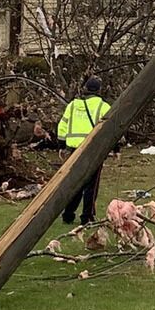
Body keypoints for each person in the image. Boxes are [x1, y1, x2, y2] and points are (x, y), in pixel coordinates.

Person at [57, 76, 113, 226]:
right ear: (99, 90)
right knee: (91, 186)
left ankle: (68, 215)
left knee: (75, 184)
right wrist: (115, 148)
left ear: (85, 89)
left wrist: (61, 146)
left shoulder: (73, 105)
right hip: (93, 149)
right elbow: (110, 129)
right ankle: (87, 217)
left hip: (74, 149)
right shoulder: (103, 107)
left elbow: (62, 126)